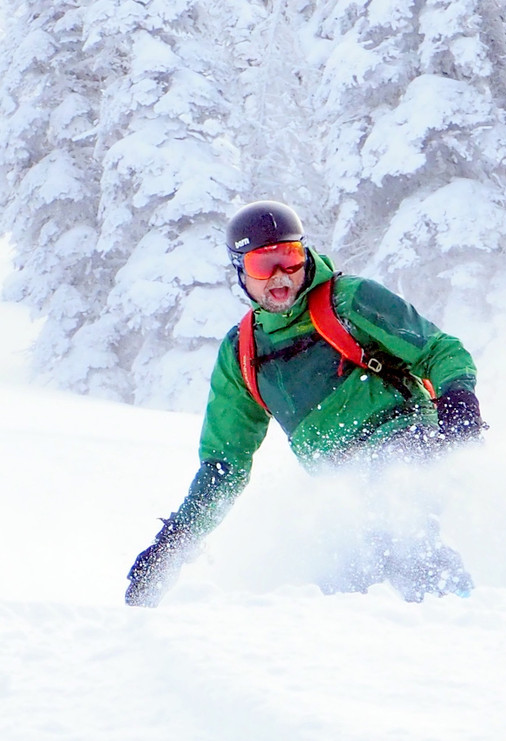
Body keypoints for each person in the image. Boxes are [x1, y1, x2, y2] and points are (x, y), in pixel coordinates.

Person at [125, 201, 486, 606]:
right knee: (337, 578)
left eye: (289, 258)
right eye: (264, 264)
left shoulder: (348, 301)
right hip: (340, 478)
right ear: (240, 270)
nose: (280, 275)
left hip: (404, 441)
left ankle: (465, 614)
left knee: (398, 531)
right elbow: (225, 464)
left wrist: (459, 404)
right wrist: (173, 543)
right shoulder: (242, 352)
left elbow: (440, 351)